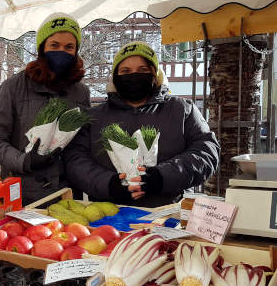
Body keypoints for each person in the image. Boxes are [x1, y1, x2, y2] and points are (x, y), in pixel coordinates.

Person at [63, 41, 220, 207]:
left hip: (169, 215)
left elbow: (206, 152)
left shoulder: (182, 110)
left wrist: (162, 177)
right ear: (115, 77)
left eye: (142, 70)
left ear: (155, 74)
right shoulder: (93, 116)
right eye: (125, 71)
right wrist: (108, 184)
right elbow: (75, 160)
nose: (134, 76)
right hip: (108, 216)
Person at [0, 12, 90, 205]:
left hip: (67, 195)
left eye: (69, 47)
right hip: (22, 196)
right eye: (54, 45)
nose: (62, 52)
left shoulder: (81, 92)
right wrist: (24, 161)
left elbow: (82, 144)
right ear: (42, 48)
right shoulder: (14, 87)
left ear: (76, 51)